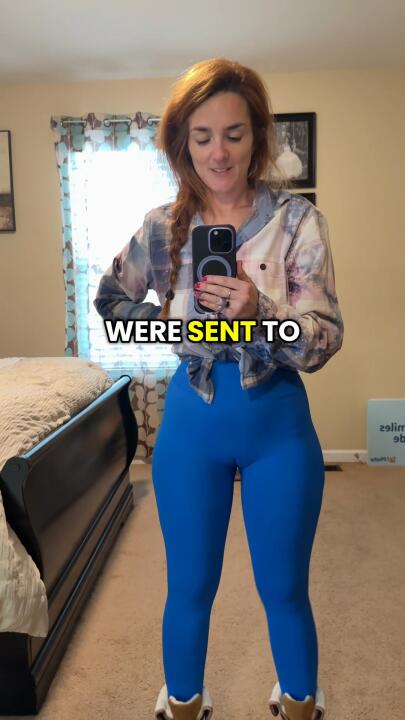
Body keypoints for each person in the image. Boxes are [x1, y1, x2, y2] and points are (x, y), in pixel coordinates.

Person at [94, 57, 344, 720]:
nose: (218, 152)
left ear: (257, 136)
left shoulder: (298, 222)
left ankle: (299, 704)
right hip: (191, 423)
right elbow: (111, 303)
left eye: (233, 134)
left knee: (283, 588)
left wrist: (259, 312)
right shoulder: (159, 227)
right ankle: (183, 704)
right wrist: (176, 322)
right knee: (190, 585)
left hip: (278, 422)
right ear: (182, 143)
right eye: (201, 136)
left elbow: (323, 339)